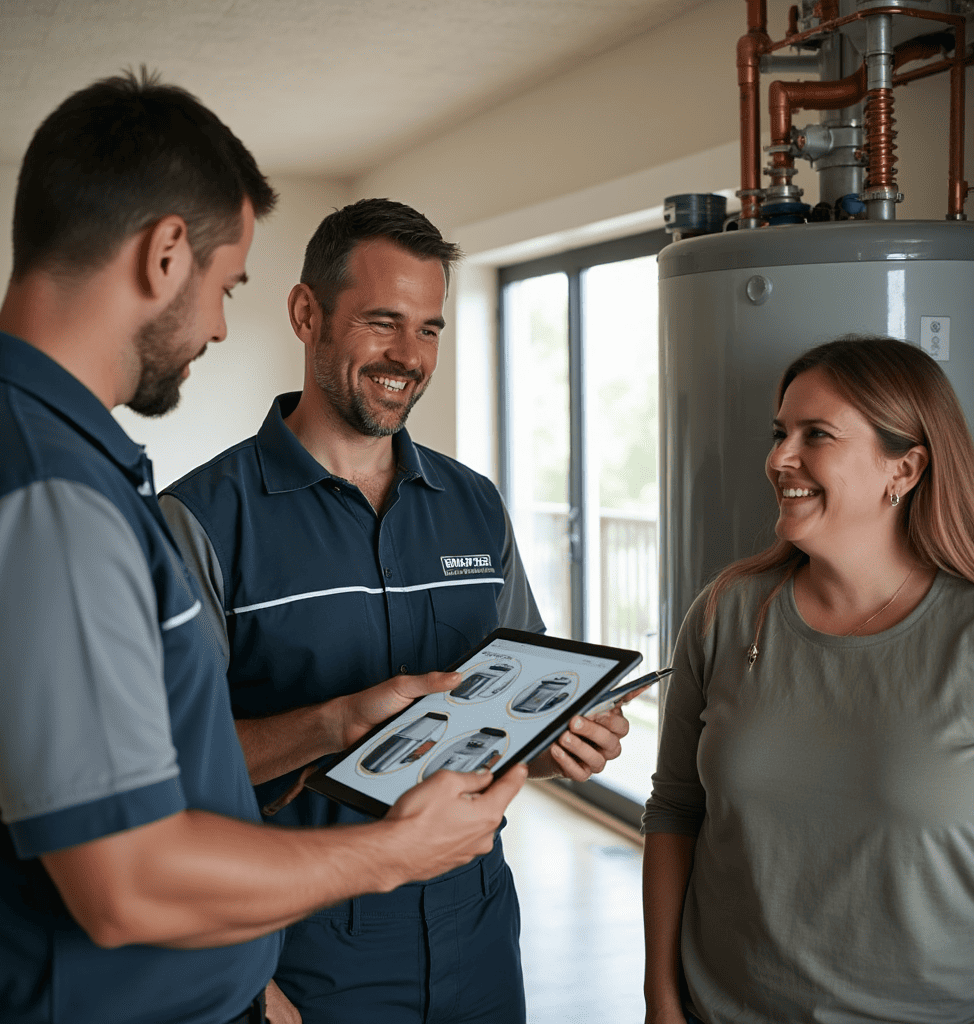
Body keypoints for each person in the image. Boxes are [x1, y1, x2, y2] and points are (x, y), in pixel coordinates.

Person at [0, 74, 528, 1024]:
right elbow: (126, 881)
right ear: (165, 253)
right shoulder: (49, 491)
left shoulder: (17, 445)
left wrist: (346, 725)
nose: (220, 325)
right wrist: (388, 854)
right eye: (226, 287)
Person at [160, 197, 632, 1023]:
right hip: (299, 944)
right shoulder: (199, 521)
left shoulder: (475, 506)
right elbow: (162, 777)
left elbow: (512, 724)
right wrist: (334, 722)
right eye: (383, 322)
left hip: (479, 927)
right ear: (308, 314)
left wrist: (564, 743)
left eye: (430, 329)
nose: (408, 357)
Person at [641, 335, 974, 1024]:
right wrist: (662, 999)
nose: (778, 459)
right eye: (779, 432)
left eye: (815, 434)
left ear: (904, 469)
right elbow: (675, 810)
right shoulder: (727, 612)